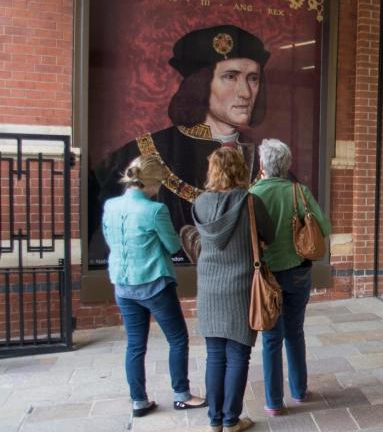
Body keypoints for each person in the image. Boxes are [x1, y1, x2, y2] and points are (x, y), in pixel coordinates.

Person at [91, 24, 270, 265]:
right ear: (201, 83)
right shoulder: (141, 152)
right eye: (230, 76)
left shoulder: (264, 157)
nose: (246, 93)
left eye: (253, 79)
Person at [101, 155, 206, 417]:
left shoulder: (111, 206)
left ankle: (139, 401)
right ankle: (181, 395)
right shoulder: (155, 210)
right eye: (158, 183)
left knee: (135, 345)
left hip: (123, 285)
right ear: (152, 183)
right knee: (178, 339)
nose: (159, 188)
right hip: (154, 284)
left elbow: (110, 239)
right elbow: (172, 246)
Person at [192, 147, 274, 432]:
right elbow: (270, 235)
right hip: (241, 287)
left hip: (210, 287)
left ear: (212, 170)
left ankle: (215, 420)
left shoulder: (200, 203)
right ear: (241, 169)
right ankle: (230, 420)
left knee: (215, 355)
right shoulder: (250, 202)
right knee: (239, 355)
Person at [249, 139, 332, 416]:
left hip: (267, 276)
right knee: (295, 332)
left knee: (272, 338)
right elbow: (324, 227)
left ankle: (274, 402)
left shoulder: (253, 194)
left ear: (262, 165)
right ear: (288, 165)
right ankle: (299, 390)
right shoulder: (300, 192)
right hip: (297, 273)